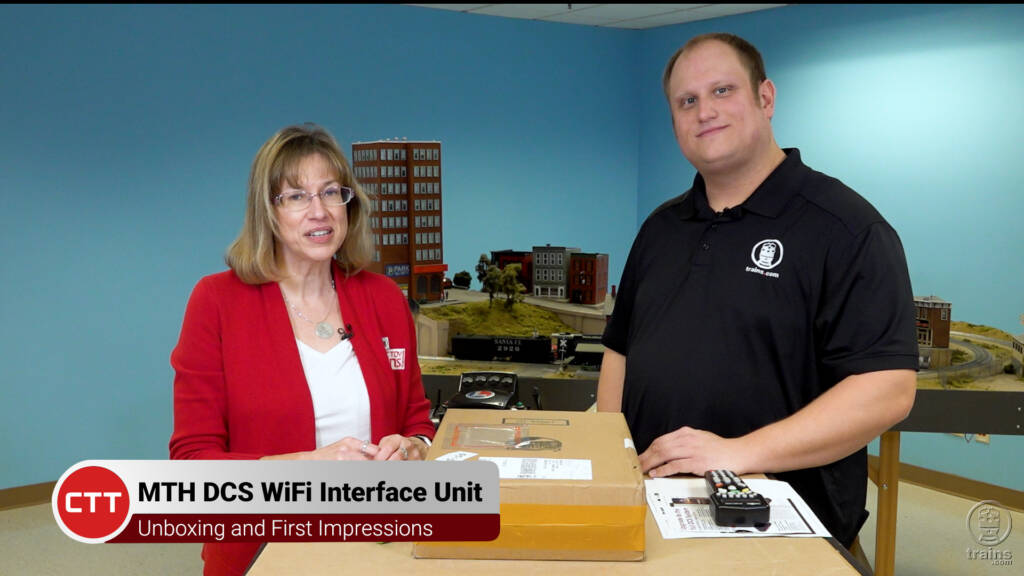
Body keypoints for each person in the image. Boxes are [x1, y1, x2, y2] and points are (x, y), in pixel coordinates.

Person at [598, 33, 918, 550]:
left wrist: (738, 453)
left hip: (782, 527)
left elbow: (888, 389)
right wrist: (614, 458)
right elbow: (620, 350)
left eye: (722, 91)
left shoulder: (847, 229)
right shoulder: (661, 227)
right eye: (687, 101)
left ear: (765, 98)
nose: (704, 111)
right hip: (653, 510)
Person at [169, 123, 435, 575]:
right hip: (262, 552)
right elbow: (193, 464)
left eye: (331, 193)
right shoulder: (216, 301)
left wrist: (413, 448)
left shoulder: (385, 298)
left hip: (379, 546)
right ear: (268, 212)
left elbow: (417, 421)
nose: (319, 212)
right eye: (296, 196)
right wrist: (307, 466)